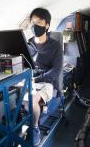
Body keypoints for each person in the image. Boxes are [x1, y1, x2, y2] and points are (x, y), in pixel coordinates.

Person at [27, 7, 63, 146]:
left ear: (47, 25)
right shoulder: (28, 43)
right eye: (33, 22)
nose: (35, 26)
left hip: (47, 82)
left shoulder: (55, 46)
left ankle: (35, 129)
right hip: (30, 79)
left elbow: (56, 71)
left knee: (32, 99)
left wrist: (36, 79)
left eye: (39, 22)